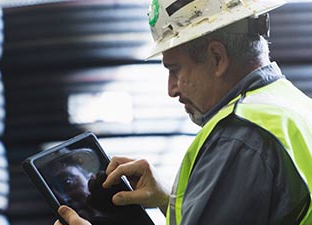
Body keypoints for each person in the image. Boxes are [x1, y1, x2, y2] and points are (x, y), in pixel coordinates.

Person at [54, 0, 312, 225]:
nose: (171, 89)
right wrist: (170, 200)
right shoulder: (292, 106)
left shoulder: (239, 136)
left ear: (217, 58)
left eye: (175, 69)